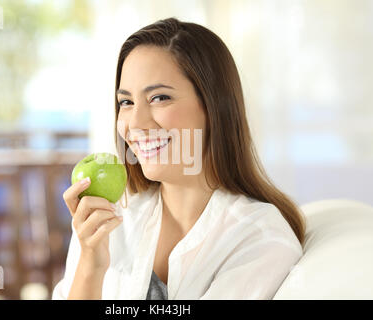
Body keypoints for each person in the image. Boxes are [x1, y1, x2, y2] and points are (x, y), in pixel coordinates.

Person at [53, 17, 306, 300]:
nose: (135, 123)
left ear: (213, 107)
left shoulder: (260, 238)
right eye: (126, 102)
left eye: (160, 98)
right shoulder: (109, 222)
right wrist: (91, 265)